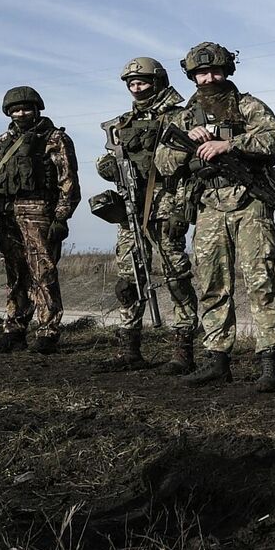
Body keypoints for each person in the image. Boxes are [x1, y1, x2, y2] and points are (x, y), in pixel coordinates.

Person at [154, 42, 275, 391]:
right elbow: (163, 162)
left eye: (215, 71)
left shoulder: (248, 106)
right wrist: (188, 143)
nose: (208, 78)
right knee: (212, 285)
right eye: (201, 73)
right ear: (192, 76)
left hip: (250, 202)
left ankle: (271, 363)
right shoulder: (183, 117)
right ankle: (217, 360)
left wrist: (228, 142)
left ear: (227, 71)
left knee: (259, 282)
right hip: (209, 206)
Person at [92, 57, 200, 373]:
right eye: (132, 84)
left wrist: (184, 207)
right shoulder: (122, 123)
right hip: (131, 209)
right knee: (128, 281)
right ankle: (129, 349)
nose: (137, 88)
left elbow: (191, 164)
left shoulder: (180, 117)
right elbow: (107, 159)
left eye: (143, 82)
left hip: (167, 205)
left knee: (177, 278)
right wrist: (108, 167)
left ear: (158, 82)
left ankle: (183, 351)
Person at [0, 87, 79, 355]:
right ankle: (14, 329)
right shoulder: (0, 142)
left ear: (37, 108)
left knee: (43, 272)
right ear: (8, 112)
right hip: (6, 214)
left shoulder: (55, 139)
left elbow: (68, 182)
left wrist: (62, 218)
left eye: (26, 108)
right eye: (16, 109)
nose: (21, 113)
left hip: (39, 211)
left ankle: (47, 332)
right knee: (15, 274)